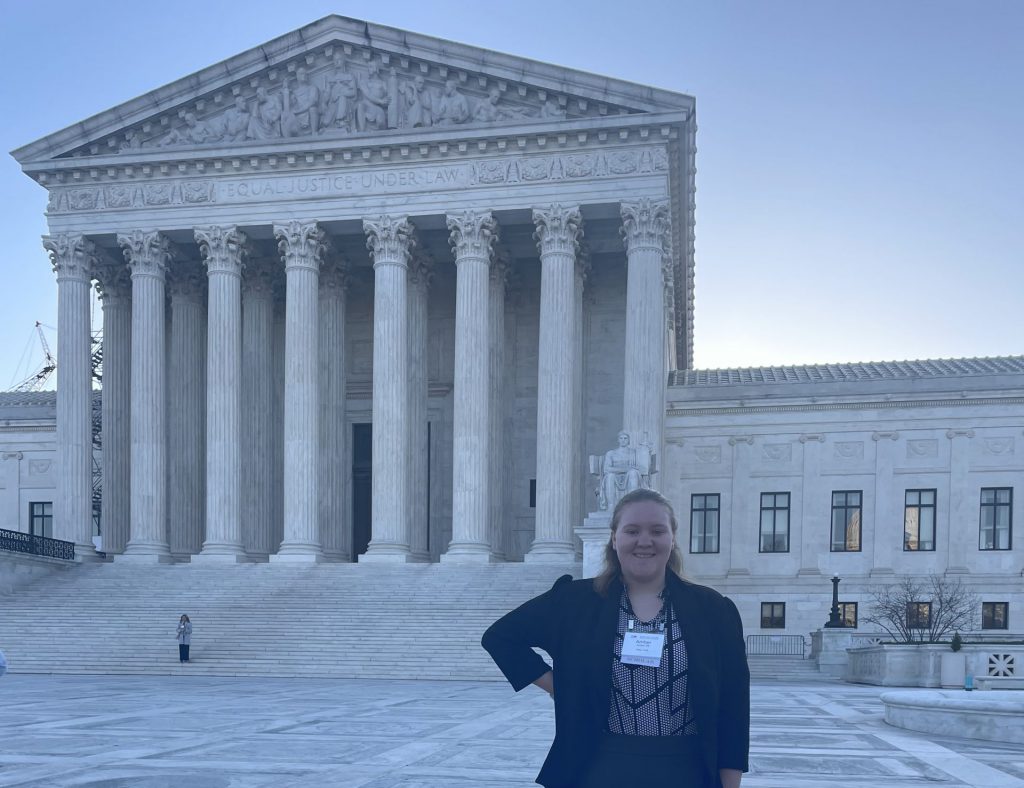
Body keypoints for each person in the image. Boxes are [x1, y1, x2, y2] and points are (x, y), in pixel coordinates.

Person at [482, 488, 749, 788]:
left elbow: (732, 706)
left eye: (657, 531)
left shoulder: (713, 610)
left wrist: (730, 784)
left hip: (686, 770)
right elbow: (501, 637)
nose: (644, 541)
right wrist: (560, 686)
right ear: (614, 537)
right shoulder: (575, 602)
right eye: (632, 530)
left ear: (672, 538)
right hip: (599, 767)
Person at [598, 431, 652, 511]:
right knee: (610, 476)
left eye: (625, 438)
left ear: (628, 440)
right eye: (621, 438)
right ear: (618, 440)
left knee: (633, 473)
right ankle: (611, 506)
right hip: (615, 477)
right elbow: (607, 469)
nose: (623, 440)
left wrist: (647, 452)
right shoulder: (611, 453)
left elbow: (643, 467)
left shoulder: (634, 453)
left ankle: (632, 505)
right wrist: (627, 468)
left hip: (631, 477)